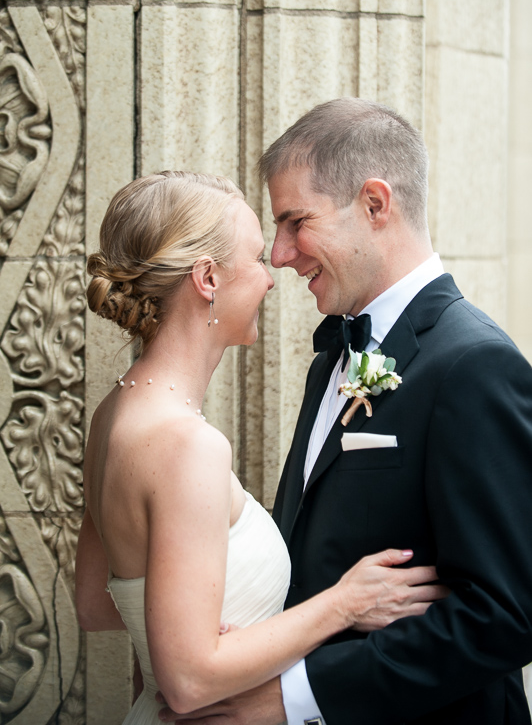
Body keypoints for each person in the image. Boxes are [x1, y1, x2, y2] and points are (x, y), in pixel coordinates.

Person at [158, 100, 532, 725]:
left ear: (375, 204)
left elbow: (507, 614)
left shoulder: (474, 366)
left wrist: (289, 699)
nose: (279, 255)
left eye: (295, 222)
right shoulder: (333, 354)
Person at [75, 170, 446, 725]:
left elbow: (95, 604)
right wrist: (344, 602)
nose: (271, 275)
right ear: (207, 278)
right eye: (255, 258)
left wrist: (201, 629)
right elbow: (190, 679)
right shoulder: (187, 446)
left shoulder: (111, 416)